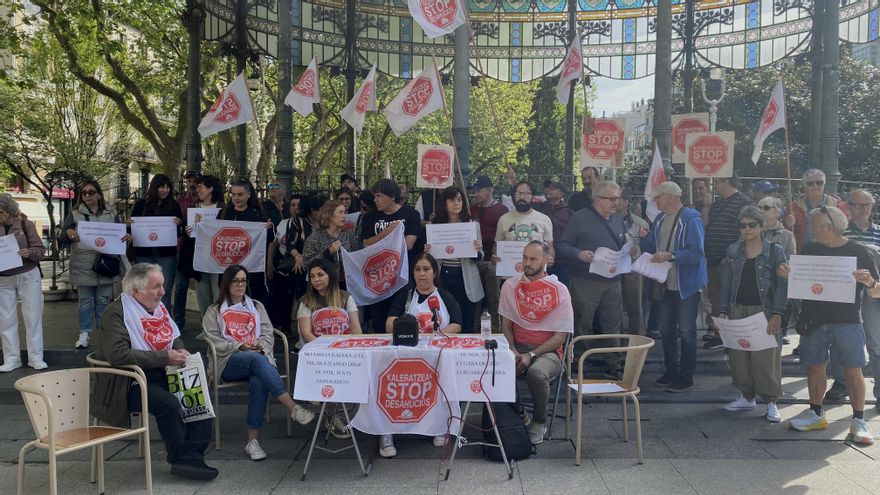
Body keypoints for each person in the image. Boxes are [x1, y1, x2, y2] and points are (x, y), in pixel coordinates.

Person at [91, 263, 216, 480]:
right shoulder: (115, 314)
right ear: (137, 290)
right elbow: (118, 355)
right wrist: (165, 357)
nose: (162, 292)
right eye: (156, 286)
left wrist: (179, 349)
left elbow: (171, 335)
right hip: (128, 381)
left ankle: (193, 453)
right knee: (168, 403)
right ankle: (181, 458)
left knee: (195, 391)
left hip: (161, 372)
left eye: (163, 285)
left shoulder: (157, 308)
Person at [782, 206, 878, 445]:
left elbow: (877, 291)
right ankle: (815, 413)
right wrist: (788, 274)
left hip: (847, 321)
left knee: (853, 371)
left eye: (815, 226)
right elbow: (800, 278)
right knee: (815, 368)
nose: (811, 230)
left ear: (829, 227)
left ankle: (858, 420)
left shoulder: (858, 251)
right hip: (814, 320)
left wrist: (868, 281)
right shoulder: (811, 249)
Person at [202, 265, 315, 460]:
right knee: (256, 360)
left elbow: (267, 333)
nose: (240, 284)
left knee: (259, 378)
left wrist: (259, 346)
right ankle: (292, 407)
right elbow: (213, 340)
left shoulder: (256, 306)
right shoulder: (214, 310)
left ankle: (252, 441)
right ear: (226, 283)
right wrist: (240, 346)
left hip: (257, 357)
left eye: (243, 280)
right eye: (235, 280)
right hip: (228, 361)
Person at [381, 253, 462, 456]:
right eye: (418, 269)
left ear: (434, 272)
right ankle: (386, 430)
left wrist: (434, 335)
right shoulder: (405, 296)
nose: (422, 274)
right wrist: (405, 329)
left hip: (436, 355)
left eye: (426, 269)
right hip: (406, 354)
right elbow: (389, 322)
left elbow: (457, 324)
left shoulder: (445, 296)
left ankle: (440, 425)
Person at [717, 206, 788, 422]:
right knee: (739, 357)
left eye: (752, 225)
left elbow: (783, 284)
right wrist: (723, 310)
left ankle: (771, 402)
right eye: (743, 225)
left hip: (764, 309)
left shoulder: (775, 251)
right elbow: (727, 283)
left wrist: (777, 313)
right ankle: (747, 396)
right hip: (738, 308)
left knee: (766, 359)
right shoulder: (733, 250)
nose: (747, 229)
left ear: (762, 226)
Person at [557, 181, 634, 378]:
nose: (616, 202)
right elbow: (563, 245)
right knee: (582, 322)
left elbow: (620, 245)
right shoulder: (580, 219)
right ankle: (577, 362)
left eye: (617, 198)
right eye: (611, 199)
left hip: (612, 282)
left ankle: (613, 363)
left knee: (613, 323)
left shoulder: (617, 220)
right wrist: (578, 253)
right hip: (585, 281)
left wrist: (629, 249)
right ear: (598, 200)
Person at [499, 241, 571, 444]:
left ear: (546, 260)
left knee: (536, 373)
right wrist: (512, 349)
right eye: (524, 257)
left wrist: (531, 355)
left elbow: (561, 336)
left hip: (549, 352)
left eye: (533, 259)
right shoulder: (510, 286)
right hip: (517, 346)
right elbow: (505, 325)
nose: (527, 263)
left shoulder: (560, 290)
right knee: (497, 366)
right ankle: (519, 413)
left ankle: (540, 421)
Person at [641, 182, 707, 393]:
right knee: (666, 330)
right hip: (665, 284)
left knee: (687, 332)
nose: (655, 200)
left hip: (686, 286)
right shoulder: (660, 219)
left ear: (670, 196)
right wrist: (645, 239)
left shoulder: (691, 218)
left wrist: (671, 255)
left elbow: (697, 254)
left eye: (658, 197)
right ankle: (671, 371)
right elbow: (653, 248)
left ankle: (686, 376)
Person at [59, 180, 130, 349]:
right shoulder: (74, 214)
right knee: (85, 301)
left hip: (107, 263)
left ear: (98, 194)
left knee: (103, 301)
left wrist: (127, 237)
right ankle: (84, 333)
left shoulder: (112, 212)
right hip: (83, 264)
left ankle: (104, 334)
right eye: (83, 193)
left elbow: (121, 233)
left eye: (91, 192)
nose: (87, 195)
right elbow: (62, 237)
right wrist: (68, 232)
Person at [296, 258, 363, 438]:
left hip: (344, 350)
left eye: (320, 275)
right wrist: (327, 350)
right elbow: (306, 334)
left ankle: (340, 415)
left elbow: (356, 330)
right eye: (312, 276)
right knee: (333, 367)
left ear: (330, 275)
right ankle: (332, 416)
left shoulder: (345, 298)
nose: (316, 279)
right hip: (318, 352)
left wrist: (353, 349)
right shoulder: (306, 302)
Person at [825, 190, 880, 404]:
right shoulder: (840, 232)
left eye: (867, 204)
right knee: (840, 340)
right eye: (858, 205)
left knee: (876, 343)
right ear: (848, 206)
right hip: (845, 293)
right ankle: (841, 383)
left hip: (873, 293)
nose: (863, 209)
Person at [359, 179, 421, 332]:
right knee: (380, 323)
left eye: (379, 196)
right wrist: (387, 233)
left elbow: (408, 244)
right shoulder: (370, 217)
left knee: (401, 321)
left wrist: (379, 243)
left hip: (402, 278)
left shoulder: (411, 214)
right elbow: (366, 244)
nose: (375, 200)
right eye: (375, 196)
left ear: (392, 196)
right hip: (378, 278)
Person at [424, 186, 483, 334]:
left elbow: (481, 256)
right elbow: (429, 260)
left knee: (466, 318)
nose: (457, 203)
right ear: (444, 203)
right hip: (443, 276)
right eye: (452, 200)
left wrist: (476, 250)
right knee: (445, 317)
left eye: (460, 199)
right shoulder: (434, 226)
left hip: (465, 277)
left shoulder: (472, 225)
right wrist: (427, 251)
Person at [703, 176, 751, 350]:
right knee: (716, 298)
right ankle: (719, 334)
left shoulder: (743, 202)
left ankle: (732, 337)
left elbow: (745, 230)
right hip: (712, 258)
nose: (714, 186)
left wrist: (732, 255)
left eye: (717, 183)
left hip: (728, 260)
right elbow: (705, 224)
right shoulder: (716, 204)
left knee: (730, 299)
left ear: (727, 182)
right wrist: (707, 206)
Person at [0, 194, 46, 371]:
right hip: (4, 277)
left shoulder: (27, 225)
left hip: (28, 273)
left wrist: (29, 252)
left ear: (10, 211)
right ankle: (11, 358)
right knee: (5, 318)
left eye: (1, 212)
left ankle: (36, 357)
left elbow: (40, 250)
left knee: (32, 316)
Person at [130, 174, 183, 308]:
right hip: (144, 253)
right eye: (161, 187)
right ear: (155, 188)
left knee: (163, 291)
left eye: (167, 187)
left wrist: (179, 224)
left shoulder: (174, 205)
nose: (165, 190)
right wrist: (129, 225)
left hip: (166, 255)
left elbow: (178, 232)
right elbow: (132, 228)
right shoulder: (141, 205)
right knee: (143, 289)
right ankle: (144, 322)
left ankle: (163, 323)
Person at [220, 178, 273, 308]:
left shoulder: (258, 215)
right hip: (228, 267)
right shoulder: (224, 213)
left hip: (252, 269)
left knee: (253, 297)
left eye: (240, 194)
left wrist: (269, 229)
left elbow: (269, 239)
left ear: (248, 195)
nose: (236, 198)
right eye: (233, 194)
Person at [469, 175, 508, 331]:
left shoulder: (501, 210)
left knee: (493, 295)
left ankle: (496, 327)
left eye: (480, 190)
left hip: (493, 260)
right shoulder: (471, 210)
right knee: (475, 296)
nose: (477, 194)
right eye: (475, 191)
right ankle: (475, 328)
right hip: (474, 260)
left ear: (489, 190)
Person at [267, 194, 307, 335]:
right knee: (284, 299)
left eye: (299, 205)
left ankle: (304, 331)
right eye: (292, 205)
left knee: (303, 300)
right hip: (286, 267)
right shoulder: (283, 224)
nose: (295, 208)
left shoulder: (308, 223)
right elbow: (274, 244)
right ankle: (285, 328)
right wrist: (269, 264)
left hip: (304, 268)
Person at [185, 175, 224, 316]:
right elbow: (190, 234)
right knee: (202, 293)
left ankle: (217, 327)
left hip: (217, 257)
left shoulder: (222, 209)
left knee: (218, 292)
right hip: (200, 257)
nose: (198, 189)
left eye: (201, 186)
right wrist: (188, 230)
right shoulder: (194, 208)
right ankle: (205, 326)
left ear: (211, 189)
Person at [784, 169, 848, 253]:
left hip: (832, 252)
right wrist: (788, 225)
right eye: (810, 183)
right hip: (803, 253)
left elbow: (845, 230)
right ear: (804, 185)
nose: (815, 186)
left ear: (824, 184)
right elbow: (786, 233)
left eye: (819, 183)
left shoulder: (838, 206)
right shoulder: (794, 207)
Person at [494, 181, 555, 261]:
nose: (521, 197)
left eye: (526, 193)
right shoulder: (504, 219)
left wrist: (550, 258)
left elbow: (550, 247)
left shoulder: (544, 219)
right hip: (509, 271)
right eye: (518, 193)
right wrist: (495, 257)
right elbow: (496, 246)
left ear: (533, 197)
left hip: (536, 272)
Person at [617, 188, 649, 335]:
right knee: (613, 309)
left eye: (616, 199)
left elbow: (649, 248)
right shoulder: (607, 220)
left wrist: (641, 243)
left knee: (635, 308)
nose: (613, 202)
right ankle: (616, 341)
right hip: (613, 269)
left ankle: (637, 341)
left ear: (626, 202)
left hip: (633, 270)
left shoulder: (640, 223)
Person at [172, 170, 201, 328]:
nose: (192, 185)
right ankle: (179, 320)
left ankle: (207, 322)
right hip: (183, 247)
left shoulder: (204, 200)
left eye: (194, 181)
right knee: (181, 286)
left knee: (203, 286)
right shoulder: (180, 200)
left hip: (201, 248)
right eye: (189, 181)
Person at [302, 200, 354, 282]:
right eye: (340, 212)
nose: (344, 216)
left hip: (346, 285)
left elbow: (356, 258)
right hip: (323, 285)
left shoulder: (349, 236)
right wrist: (328, 252)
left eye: (345, 212)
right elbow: (306, 264)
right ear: (329, 215)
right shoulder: (315, 237)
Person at [535, 180, 572, 284]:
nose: (548, 190)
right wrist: (514, 182)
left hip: (562, 261)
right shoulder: (539, 208)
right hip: (540, 258)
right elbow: (521, 201)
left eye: (552, 188)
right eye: (547, 188)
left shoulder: (569, 212)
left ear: (561, 193)